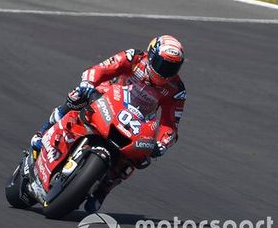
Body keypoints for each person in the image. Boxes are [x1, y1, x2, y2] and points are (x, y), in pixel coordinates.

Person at [31, 35, 186, 212]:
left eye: (172, 67)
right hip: (109, 97)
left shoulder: (176, 90)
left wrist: (162, 144)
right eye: (162, 64)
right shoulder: (134, 57)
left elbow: (170, 124)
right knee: (78, 95)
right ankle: (42, 133)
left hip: (136, 121)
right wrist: (88, 83)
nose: (165, 71)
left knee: (141, 156)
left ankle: (103, 190)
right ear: (151, 55)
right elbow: (103, 68)